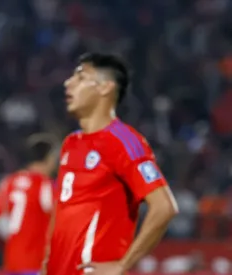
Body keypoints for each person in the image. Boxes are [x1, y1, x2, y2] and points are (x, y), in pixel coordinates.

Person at [43, 53, 179, 275]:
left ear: (105, 88)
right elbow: (62, 209)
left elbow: (164, 207)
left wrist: (123, 265)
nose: (68, 83)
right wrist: (47, 262)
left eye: (80, 77)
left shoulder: (124, 141)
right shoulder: (71, 143)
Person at [0, 134, 58, 275]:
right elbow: (57, 222)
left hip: (12, 264)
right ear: (48, 159)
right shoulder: (46, 186)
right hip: (38, 264)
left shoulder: (9, 183)